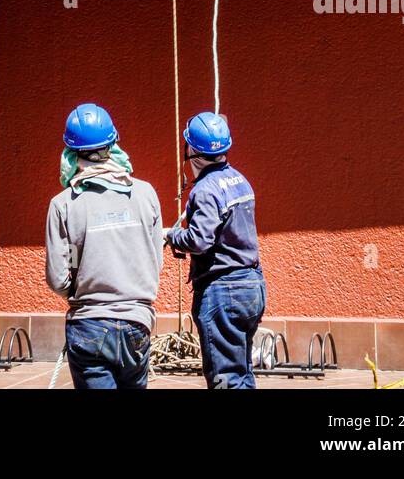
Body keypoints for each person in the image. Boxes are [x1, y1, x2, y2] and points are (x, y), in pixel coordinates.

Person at [45, 103, 163, 389]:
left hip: (89, 323)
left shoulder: (63, 205)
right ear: (113, 143)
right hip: (137, 322)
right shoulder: (146, 194)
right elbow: (155, 261)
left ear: (71, 153)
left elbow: (58, 278)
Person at [165, 112, 265, 389]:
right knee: (243, 372)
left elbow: (199, 240)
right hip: (252, 285)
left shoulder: (206, 190)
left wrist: (172, 236)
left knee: (226, 377)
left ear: (191, 150)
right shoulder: (240, 180)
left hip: (223, 290)